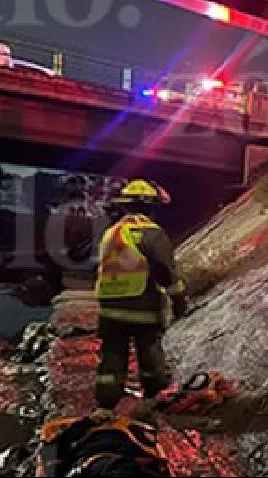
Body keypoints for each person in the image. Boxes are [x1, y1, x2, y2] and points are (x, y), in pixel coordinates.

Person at [94, 179, 188, 410]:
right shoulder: (151, 234)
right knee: (149, 354)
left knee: (112, 356)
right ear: (152, 208)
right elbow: (166, 271)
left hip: (109, 310)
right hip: (142, 307)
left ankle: (106, 403)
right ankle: (154, 397)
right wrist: (179, 301)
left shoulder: (111, 233)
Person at [36, 408, 171, 477]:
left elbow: (49, 448)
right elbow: (49, 448)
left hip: (104, 460)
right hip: (102, 462)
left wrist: (88, 422)